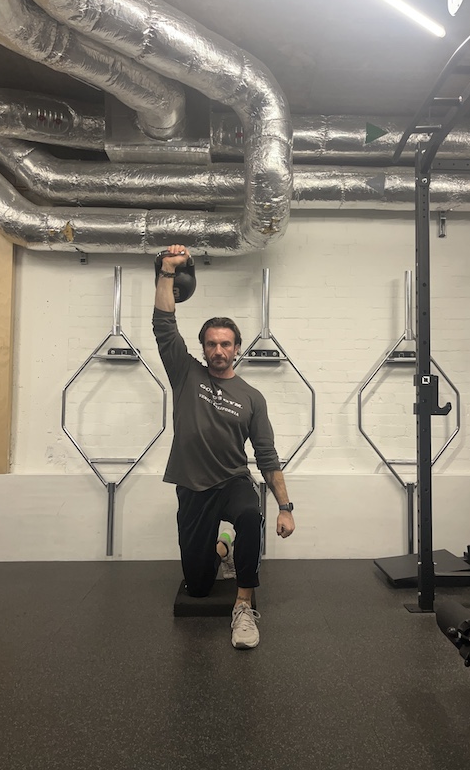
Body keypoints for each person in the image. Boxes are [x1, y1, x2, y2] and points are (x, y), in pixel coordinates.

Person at [152, 244, 295, 650]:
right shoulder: (185, 374)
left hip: (233, 481)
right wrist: (166, 272)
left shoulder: (252, 397)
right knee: (197, 586)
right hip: (192, 486)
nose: (218, 350)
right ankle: (222, 548)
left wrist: (285, 507)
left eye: (226, 344)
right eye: (212, 344)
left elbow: (267, 457)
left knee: (250, 516)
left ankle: (244, 607)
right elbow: (164, 326)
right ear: (203, 349)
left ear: (237, 348)